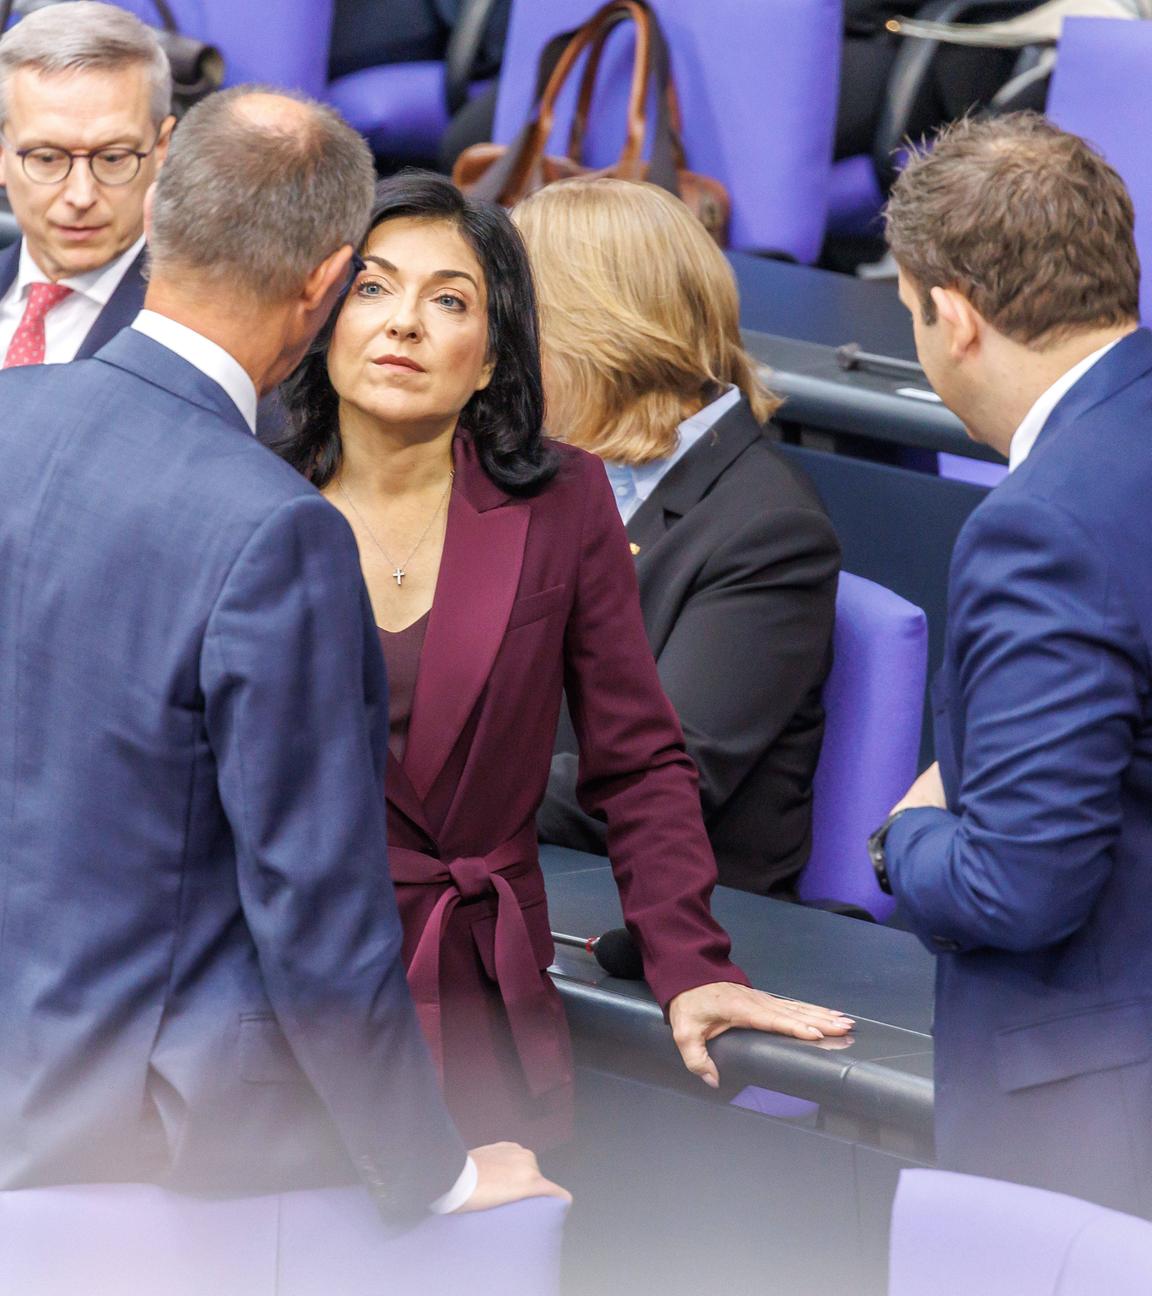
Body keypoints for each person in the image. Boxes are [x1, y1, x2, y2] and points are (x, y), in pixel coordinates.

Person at [0, 86, 566, 1219]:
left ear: (158, 212)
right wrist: (432, 1167)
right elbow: (315, 896)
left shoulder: (12, 414)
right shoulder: (279, 531)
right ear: (325, 283)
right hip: (147, 1143)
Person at [274, 171, 854, 1149]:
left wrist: (691, 960)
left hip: (474, 988)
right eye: (371, 288)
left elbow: (641, 757)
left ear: (500, 352)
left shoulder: (561, 500)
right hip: (275, 988)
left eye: (448, 299)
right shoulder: (255, 484)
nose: (403, 323)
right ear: (324, 316)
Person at [872, 112, 1152, 1215]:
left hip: (1096, 1130)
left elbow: (1020, 884)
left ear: (954, 316)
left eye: (909, 316)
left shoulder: (1042, 527)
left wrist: (905, 840)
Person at [518, 178, 840, 898]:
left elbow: (655, 784)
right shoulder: (537, 466)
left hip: (668, 924)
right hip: (528, 869)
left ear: (598, 335)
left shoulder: (770, 532)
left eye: (517, 322)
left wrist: (415, 783)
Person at [0, 3, 172, 367]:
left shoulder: (193, 332)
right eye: (47, 158)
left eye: (112, 158)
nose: (81, 196)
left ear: (162, 149)